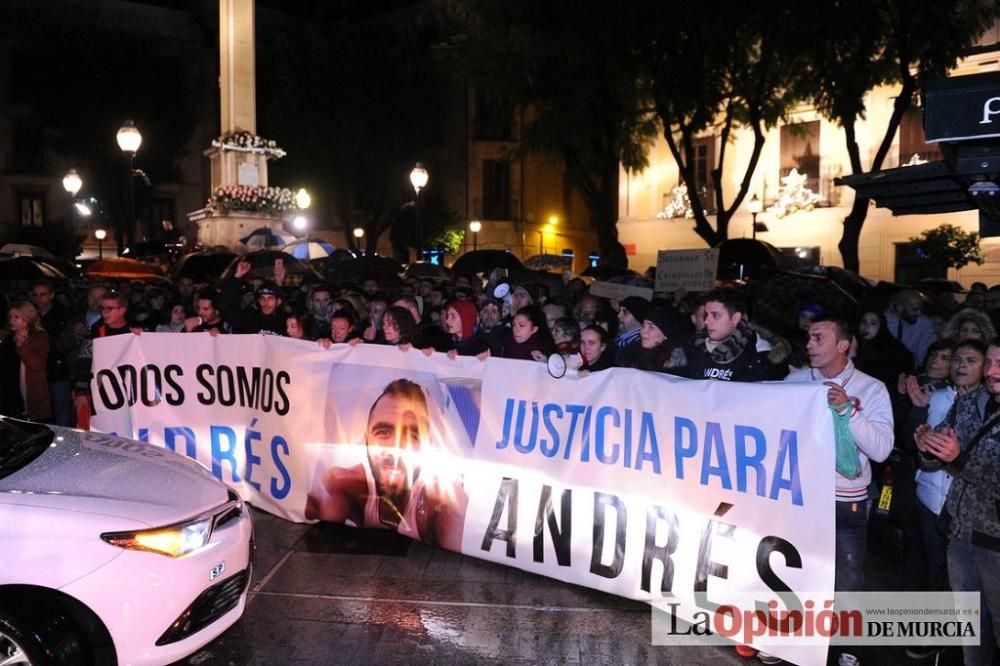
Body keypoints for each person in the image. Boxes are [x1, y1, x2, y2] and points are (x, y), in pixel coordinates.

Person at [785, 317, 893, 626]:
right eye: (808, 338)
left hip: (846, 501)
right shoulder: (795, 382)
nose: (809, 344)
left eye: (818, 338)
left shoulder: (871, 389)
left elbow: (882, 450)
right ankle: (798, 641)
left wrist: (849, 411)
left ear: (843, 345)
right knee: (800, 572)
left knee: (846, 580)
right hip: (801, 497)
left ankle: (849, 649)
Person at [304, 378, 468, 550]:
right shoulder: (343, 482)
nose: (395, 447)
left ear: (428, 444)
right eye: (383, 432)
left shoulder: (444, 501)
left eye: (413, 435)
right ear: (366, 438)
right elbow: (321, 552)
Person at [916, 341, 1000, 666]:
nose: (992, 371)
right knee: (972, 635)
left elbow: (964, 462)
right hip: (960, 537)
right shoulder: (969, 403)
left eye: (998, 364)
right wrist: (927, 445)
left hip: (996, 551)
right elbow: (937, 454)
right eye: (990, 362)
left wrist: (960, 459)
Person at [905, 340, 988, 596]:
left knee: (961, 582)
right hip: (929, 501)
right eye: (957, 360)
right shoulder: (938, 397)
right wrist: (919, 416)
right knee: (932, 570)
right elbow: (917, 443)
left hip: (970, 513)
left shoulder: (987, 407)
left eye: (970, 361)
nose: (961, 366)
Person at [686, 288, 786, 381]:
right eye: (706, 315)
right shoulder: (697, 346)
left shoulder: (761, 356)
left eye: (716, 315)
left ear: (735, 318)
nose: (707, 321)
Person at [72, 291, 139, 424]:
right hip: (102, 395)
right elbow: (84, 362)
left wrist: (142, 338)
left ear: (122, 310)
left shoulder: (134, 331)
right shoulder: (95, 332)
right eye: (102, 308)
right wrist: (80, 392)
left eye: (109, 309)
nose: (104, 312)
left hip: (130, 395)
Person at [0, 302, 51, 421]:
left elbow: (37, 365)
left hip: (28, 390)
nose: (12, 320)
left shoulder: (39, 336)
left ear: (28, 318)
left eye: (16, 317)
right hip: (8, 390)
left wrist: (22, 346)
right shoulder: (7, 335)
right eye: (10, 317)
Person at [30, 279, 72, 426]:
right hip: (37, 372)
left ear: (51, 295)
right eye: (36, 295)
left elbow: (66, 344)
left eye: (43, 294)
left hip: (58, 371)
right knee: (41, 415)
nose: (39, 298)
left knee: (61, 413)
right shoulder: (30, 315)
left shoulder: (64, 314)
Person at [220, 259, 287, 335]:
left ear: (278, 302)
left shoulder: (286, 322)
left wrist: (279, 285)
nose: (266, 303)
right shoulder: (249, 318)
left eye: (270, 298)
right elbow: (224, 306)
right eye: (262, 298)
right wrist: (237, 276)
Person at [619, 308, 688, 375]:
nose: (642, 332)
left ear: (666, 334)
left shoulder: (673, 366)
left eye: (651, 327)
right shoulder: (632, 351)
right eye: (643, 326)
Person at [885, 289, 936, 370]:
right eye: (914, 309)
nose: (919, 313)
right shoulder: (883, 320)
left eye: (920, 309)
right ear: (899, 308)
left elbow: (925, 353)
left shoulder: (924, 324)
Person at [614, 296, 649, 365]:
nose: (619, 315)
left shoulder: (640, 345)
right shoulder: (620, 338)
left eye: (625, 312)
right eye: (619, 311)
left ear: (638, 316)